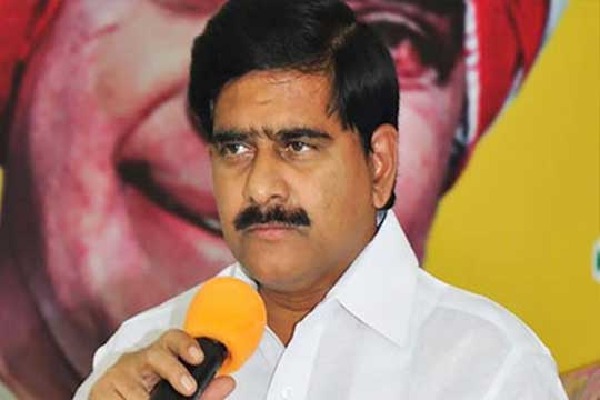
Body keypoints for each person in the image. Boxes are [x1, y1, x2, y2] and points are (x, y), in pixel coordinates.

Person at [0, 0, 565, 398]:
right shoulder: (143, 355)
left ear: (379, 163)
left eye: (297, 146)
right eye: (235, 148)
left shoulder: (488, 368)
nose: (260, 186)